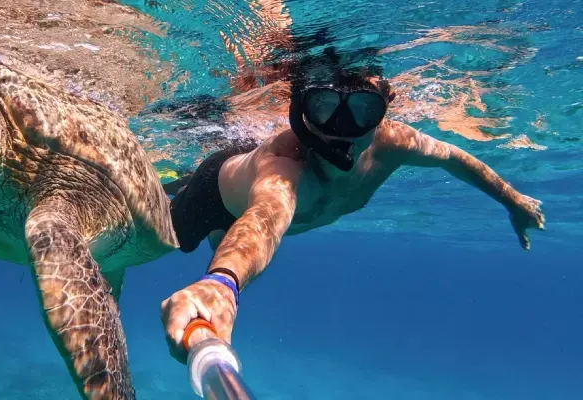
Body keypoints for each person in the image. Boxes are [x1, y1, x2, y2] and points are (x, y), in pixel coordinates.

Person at [159, 66, 546, 364]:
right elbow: (266, 217)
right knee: (156, 238)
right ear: (302, 110)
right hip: (214, 193)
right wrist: (222, 283)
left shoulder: (393, 142)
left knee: (214, 241)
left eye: (362, 110)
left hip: (237, 212)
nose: (342, 128)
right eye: (324, 107)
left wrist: (513, 201)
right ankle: (181, 181)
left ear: (383, 109)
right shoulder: (286, 163)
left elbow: (453, 158)